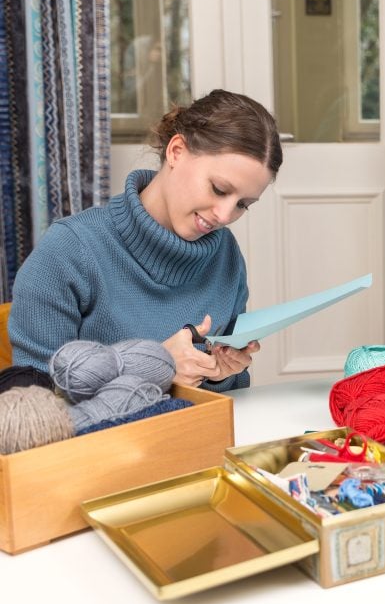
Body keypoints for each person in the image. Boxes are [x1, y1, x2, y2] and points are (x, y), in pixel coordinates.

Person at [9, 89, 283, 390]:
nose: (224, 215)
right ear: (176, 151)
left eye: (243, 204)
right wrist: (154, 366)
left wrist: (220, 372)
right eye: (219, 189)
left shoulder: (225, 254)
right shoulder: (68, 251)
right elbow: (34, 402)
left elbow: (229, 397)